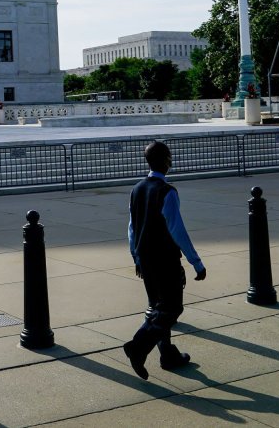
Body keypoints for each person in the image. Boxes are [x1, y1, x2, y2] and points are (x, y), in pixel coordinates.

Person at [123, 140, 206, 379]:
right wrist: (196, 262)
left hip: (145, 260)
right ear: (166, 161)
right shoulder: (167, 192)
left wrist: (136, 256)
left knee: (157, 308)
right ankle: (137, 347)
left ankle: (167, 354)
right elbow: (177, 230)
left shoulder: (137, 188)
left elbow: (131, 227)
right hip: (165, 261)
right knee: (172, 308)